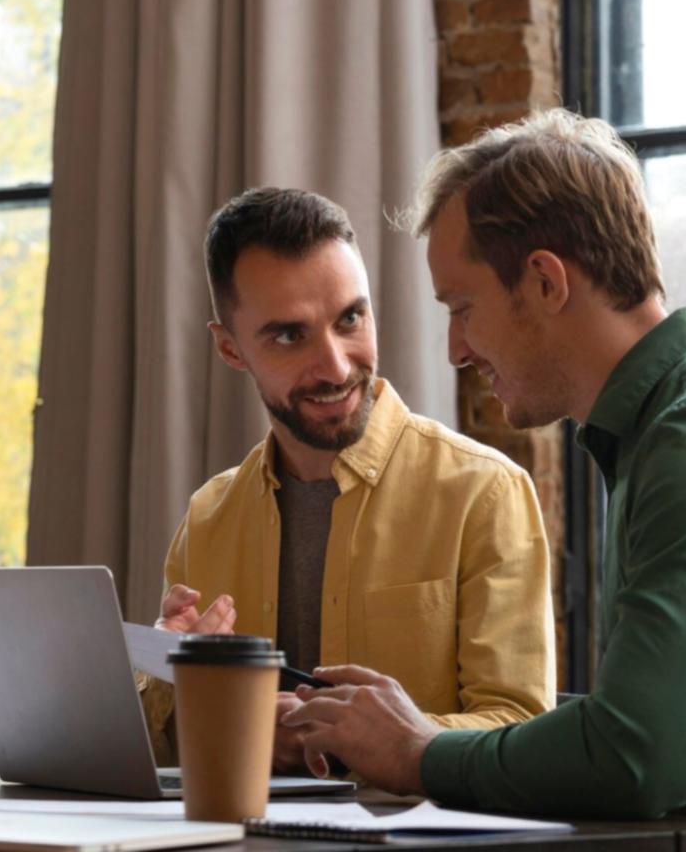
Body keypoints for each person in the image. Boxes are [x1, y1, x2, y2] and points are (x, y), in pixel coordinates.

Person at [282, 110, 686, 847]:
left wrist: (416, 752)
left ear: (545, 281)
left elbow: (637, 755)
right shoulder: (665, 428)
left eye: (462, 308)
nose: (454, 349)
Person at [140, 187, 556, 771]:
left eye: (350, 319)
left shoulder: (484, 494)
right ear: (230, 348)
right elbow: (163, 753)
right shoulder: (208, 517)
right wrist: (172, 674)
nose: (335, 366)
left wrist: (343, 736)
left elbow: (519, 730)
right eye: (289, 335)